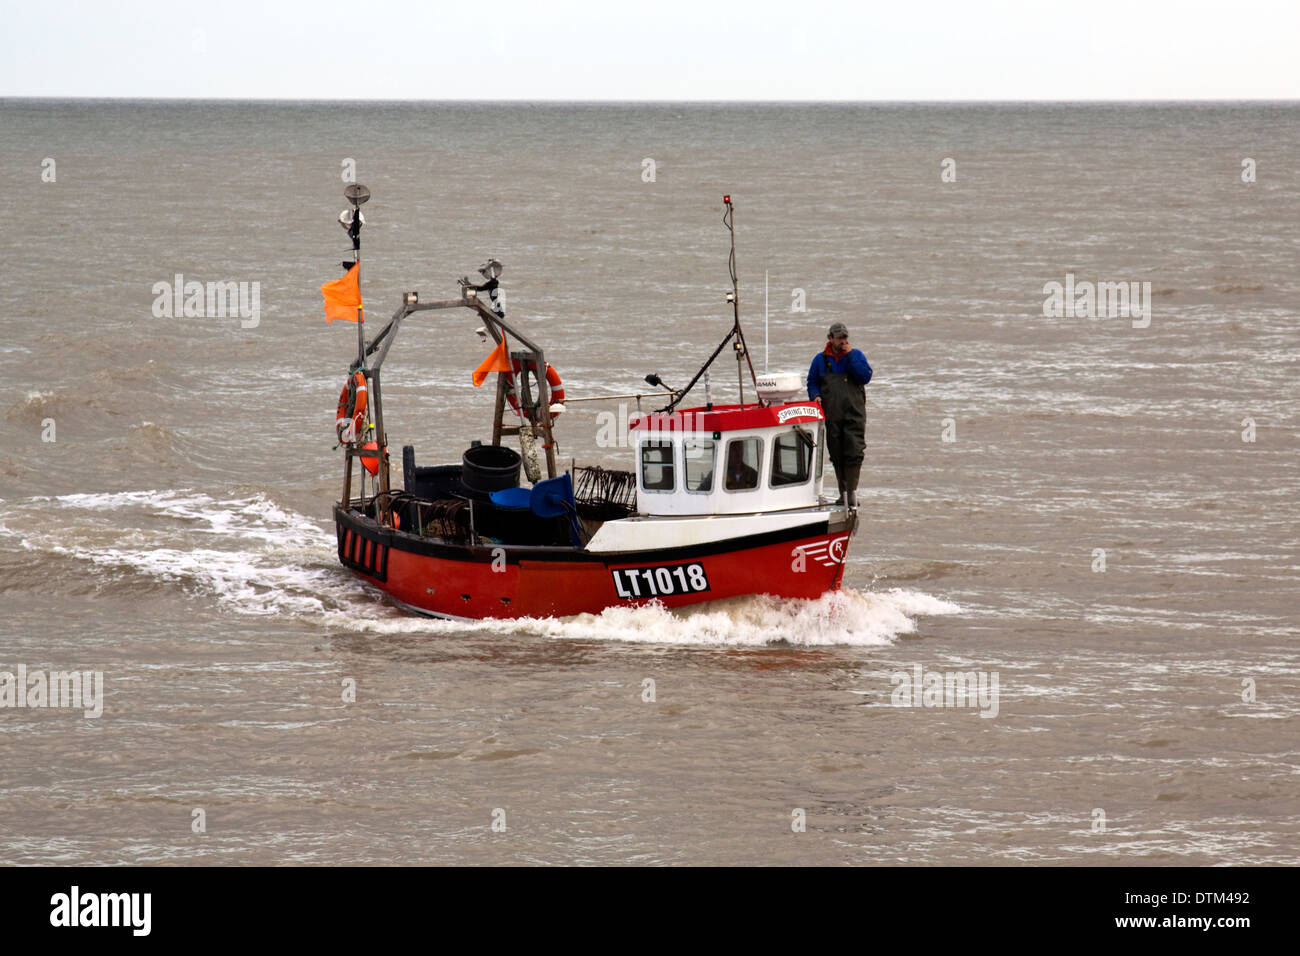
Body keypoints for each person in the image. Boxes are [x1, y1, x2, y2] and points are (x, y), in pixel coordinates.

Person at [807, 321, 872, 506]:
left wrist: (850, 355)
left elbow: (865, 376)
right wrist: (816, 396)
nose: (843, 341)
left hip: (854, 413)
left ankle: (851, 492)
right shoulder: (820, 360)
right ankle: (842, 492)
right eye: (839, 338)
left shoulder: (856, 355)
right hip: (832, 414)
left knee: (854, 451)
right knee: (837, 453)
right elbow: (812, 382)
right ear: (830, 338)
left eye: (845, 337)